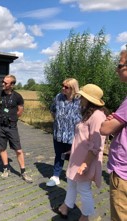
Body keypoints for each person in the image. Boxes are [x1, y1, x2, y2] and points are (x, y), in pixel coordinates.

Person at [56, 84, 108, 221]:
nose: (80, 99)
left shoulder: (98, 116)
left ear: (88, 99)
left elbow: (96, 144)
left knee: (84, 189)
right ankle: (65, 207)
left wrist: (85, 163)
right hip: (77, 157)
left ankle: (85, 216)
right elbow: (83, 137)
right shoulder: (88, 114)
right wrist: (73, 148)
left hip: (86, 160)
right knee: (72, 182)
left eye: (82, 96)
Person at [100, 49, 127, 221]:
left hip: (123, 173)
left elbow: (105, 129)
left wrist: (109, 122)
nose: (116, 69)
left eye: (119, 65)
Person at [0, 74, 32, 183]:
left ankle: (23, 171)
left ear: (12, 85)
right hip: (0, 125)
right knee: (2, 148)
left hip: (12, 126)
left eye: (5, 83)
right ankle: (6, 169)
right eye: (3, 81)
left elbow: (20, 111)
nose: (3, 84)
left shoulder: (17, 97)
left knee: (18, 150)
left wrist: (12, 118)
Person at [46, 78, 81, 187]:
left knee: (74, 157)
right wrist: (58, 122)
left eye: (66, 87)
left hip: (73, 135)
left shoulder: (80, 100)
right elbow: (52, 110)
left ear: (73, 88)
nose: (63, 88)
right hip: (59, 134)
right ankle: (56, 176)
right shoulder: (58, 97)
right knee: (59, 155)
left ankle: (75, 178)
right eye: (62, 85)